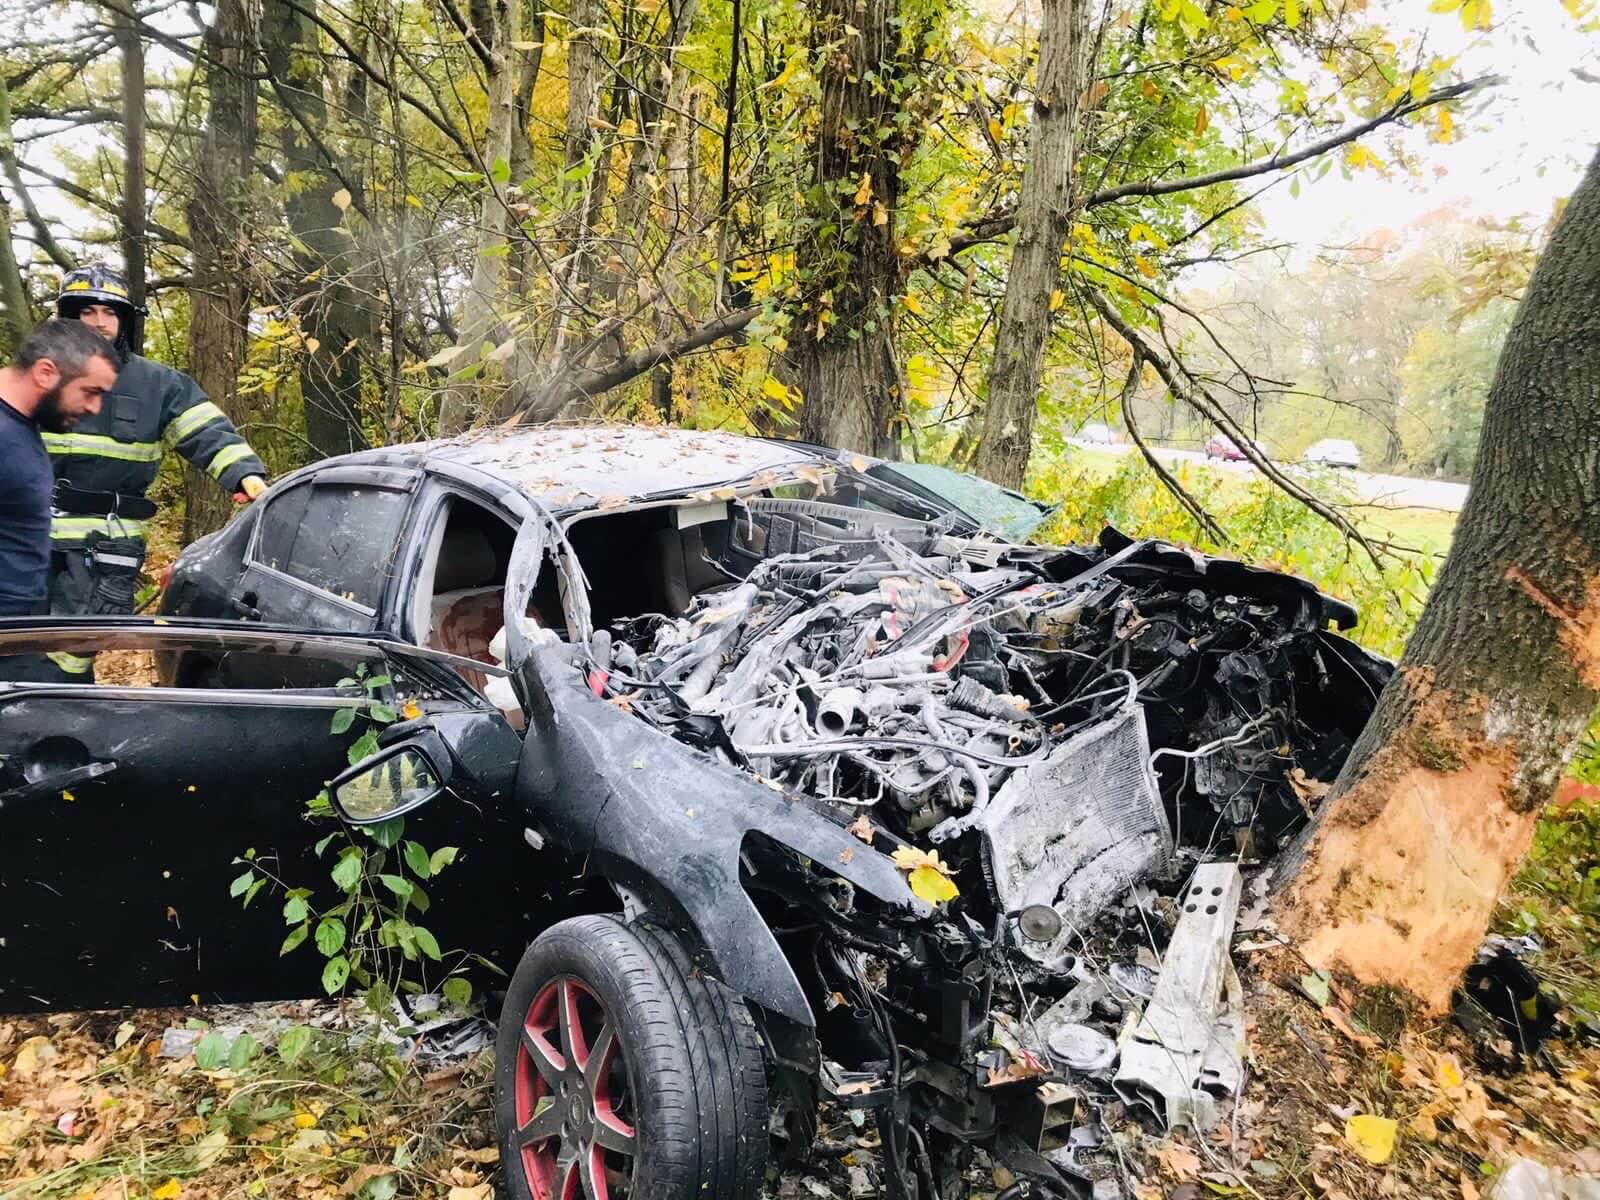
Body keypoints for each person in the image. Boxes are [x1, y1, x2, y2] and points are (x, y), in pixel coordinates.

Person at [44, 263, 269, 680]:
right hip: (27, 537)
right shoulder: (39, 377)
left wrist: (243, 473)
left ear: (124, 321)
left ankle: (61, 720)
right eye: (87, 311)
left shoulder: (158, 384)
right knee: (17, 639)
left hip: (102, 545)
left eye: (109, 312)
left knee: (71, 654)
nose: (98, 322)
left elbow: (206, 431)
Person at [0, 321, 119, 675]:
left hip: (17, 630)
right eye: (90, 391)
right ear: (45, 372)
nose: (95, 408)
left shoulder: (21, 427)